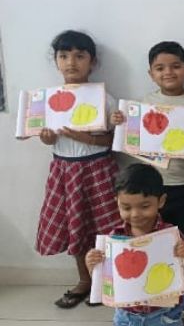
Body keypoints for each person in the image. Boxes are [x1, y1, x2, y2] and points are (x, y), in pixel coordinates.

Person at [110, 41, 184, 309]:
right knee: (154, 236)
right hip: (152, 188)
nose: (168, 72)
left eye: (175, 66)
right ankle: (158, 282)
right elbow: (132, 138)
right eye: (160, 68)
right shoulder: (145, 103)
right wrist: (120, 123)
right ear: (151, 73)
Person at [34, 30, 121, 308]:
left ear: (92, 62)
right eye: (63, 56)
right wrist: (46, 137)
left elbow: (116, 140)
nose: (71, 62)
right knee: (77, 226)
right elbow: (47, 137)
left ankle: (109, 281)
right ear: (56, 61)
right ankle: (85, 280)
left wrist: (88, 138)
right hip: (65, 171)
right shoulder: (47, 100)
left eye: (80, 56)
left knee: (106, 227)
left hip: (99, 169)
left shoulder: (104, 98)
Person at [85, 164, 184, 326]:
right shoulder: (114, 239)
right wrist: (92, 266)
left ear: (161, 201)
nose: (135, 214)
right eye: (126, 207)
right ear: (117, 202)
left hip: (164, 314)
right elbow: (106, 284)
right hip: (126, 316)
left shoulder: (171, 237)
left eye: (144, 206)